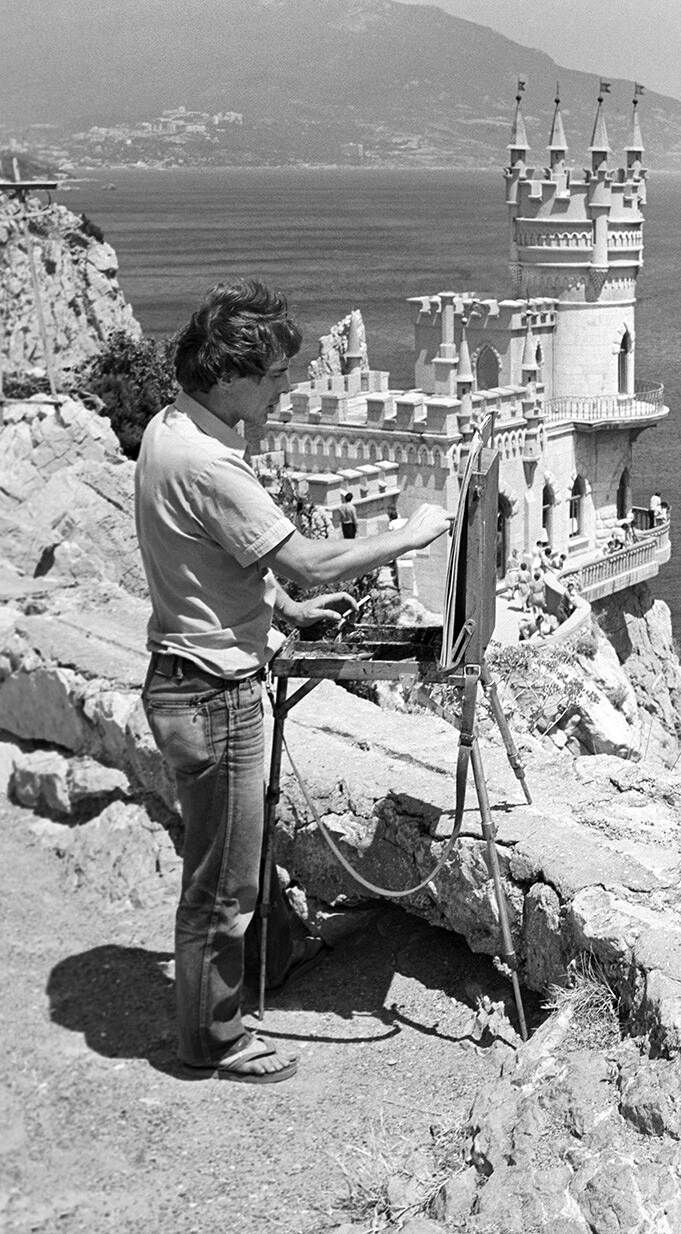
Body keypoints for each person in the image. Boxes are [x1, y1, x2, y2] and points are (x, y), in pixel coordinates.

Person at [135, 280, 451, 1085]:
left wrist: (278, 610)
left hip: (188, 672)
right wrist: (407, 533)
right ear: (233, 374)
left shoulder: (170, 430)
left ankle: (257, 974)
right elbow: (305, 557)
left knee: (230, 861)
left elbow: (205, 556)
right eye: (275, 375)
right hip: (213, 692)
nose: (285, 389)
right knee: (221, 884)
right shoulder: (209, 461)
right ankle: (211, 1041)